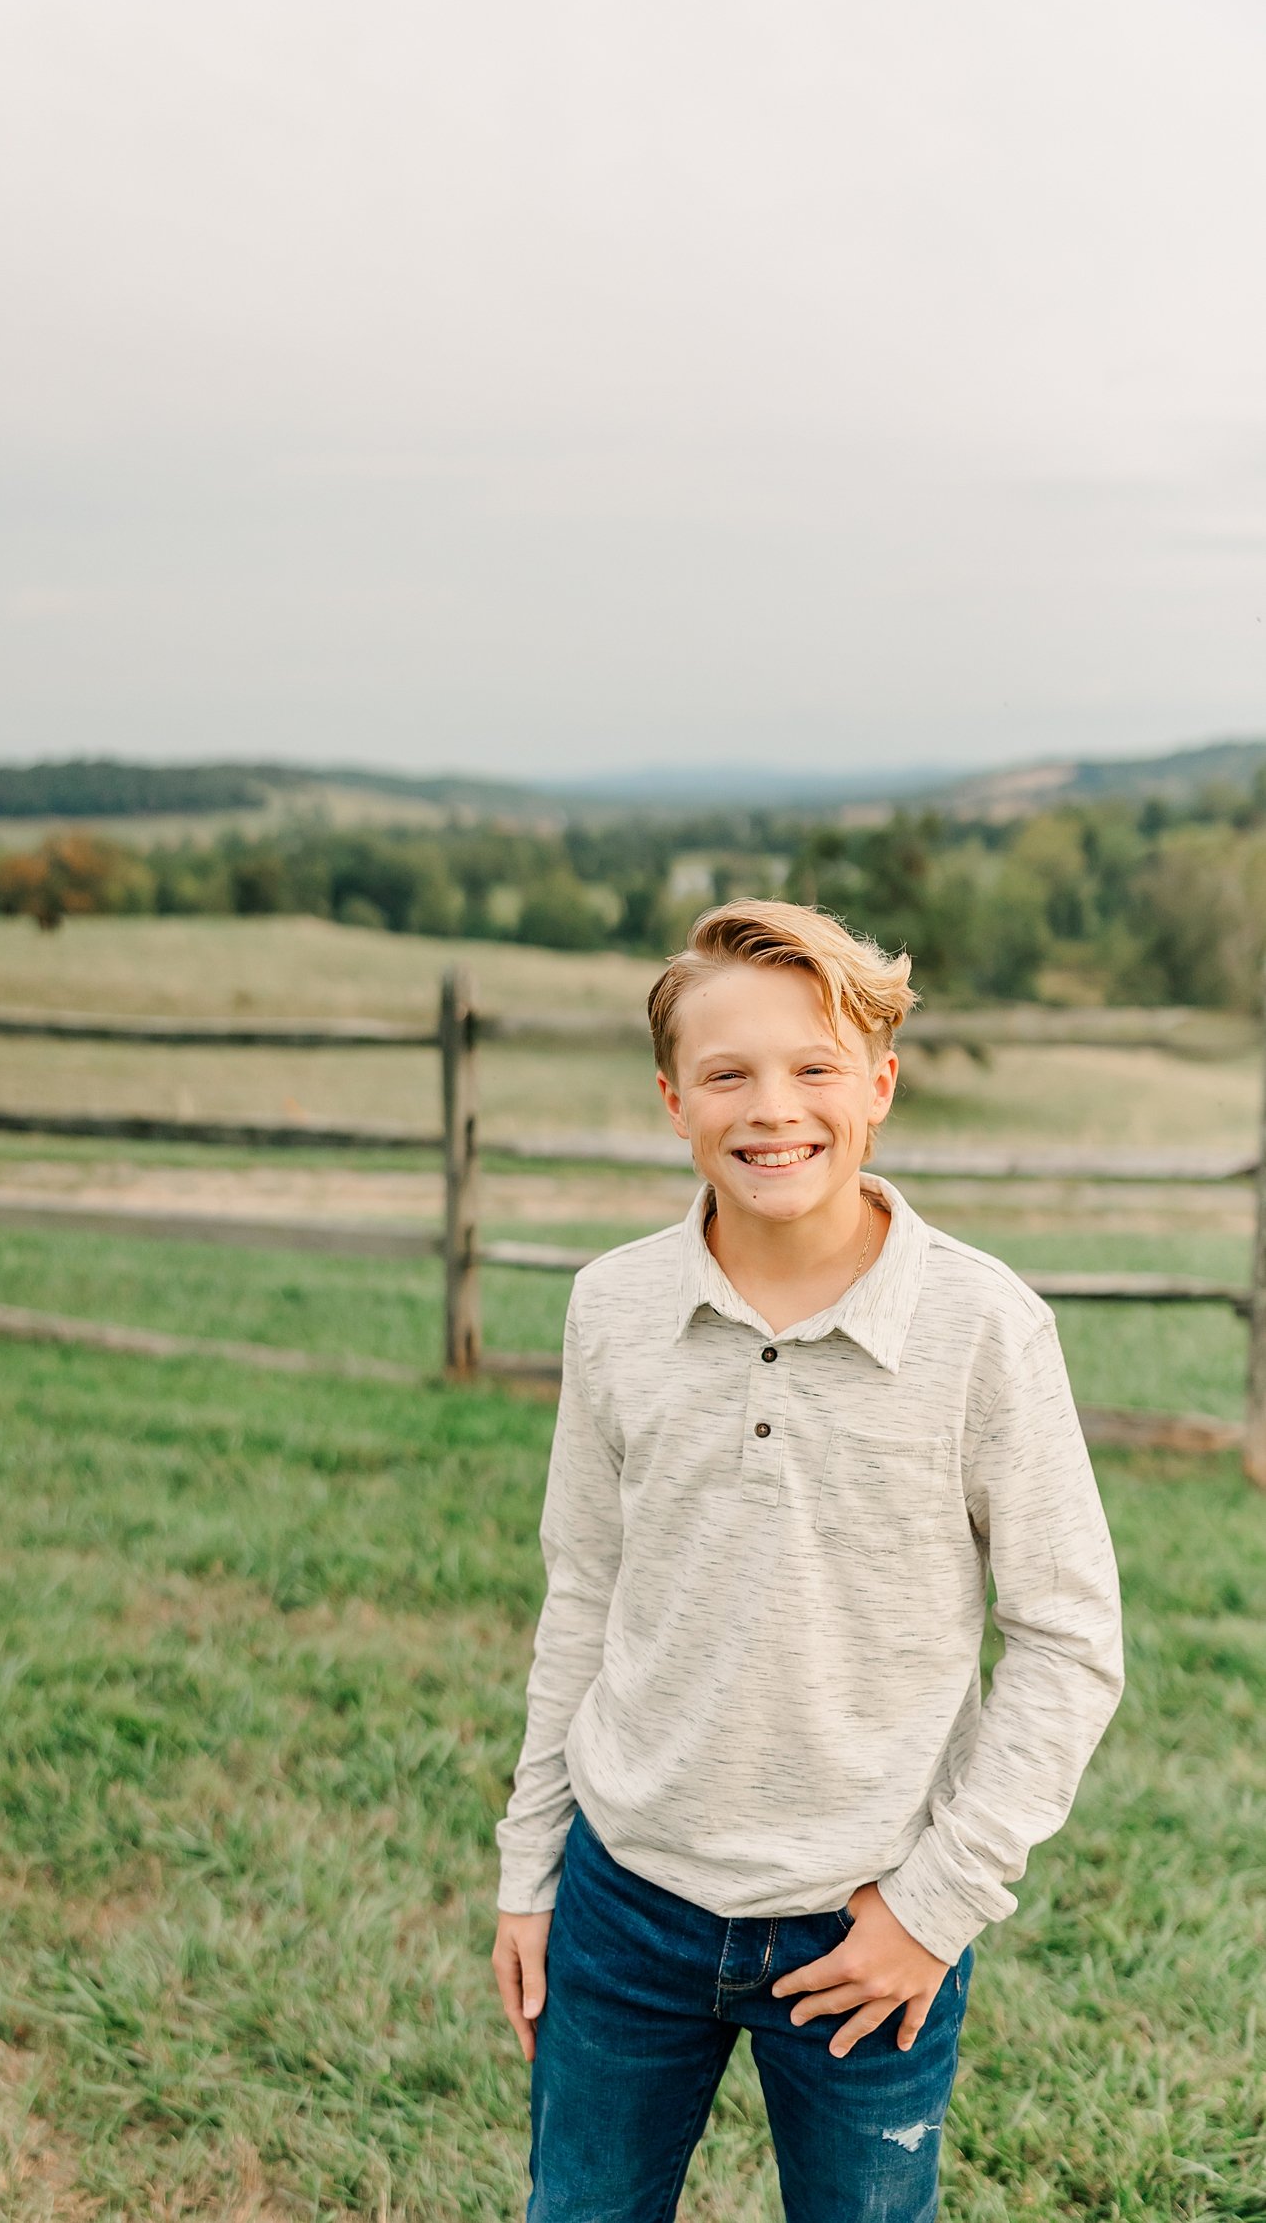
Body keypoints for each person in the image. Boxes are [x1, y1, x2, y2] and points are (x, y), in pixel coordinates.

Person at [491, 898, 1125, 2223]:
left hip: (866, 1917)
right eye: (728, 1072)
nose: (771, 1107)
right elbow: (584, 1594)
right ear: (674, 1099)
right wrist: (530, 1870)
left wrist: (936, 1904)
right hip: (626, 1896)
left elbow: (1068, 1645)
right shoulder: (612, 1307)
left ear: (879, 1083)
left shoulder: (986, 1330)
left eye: (814, 1068)